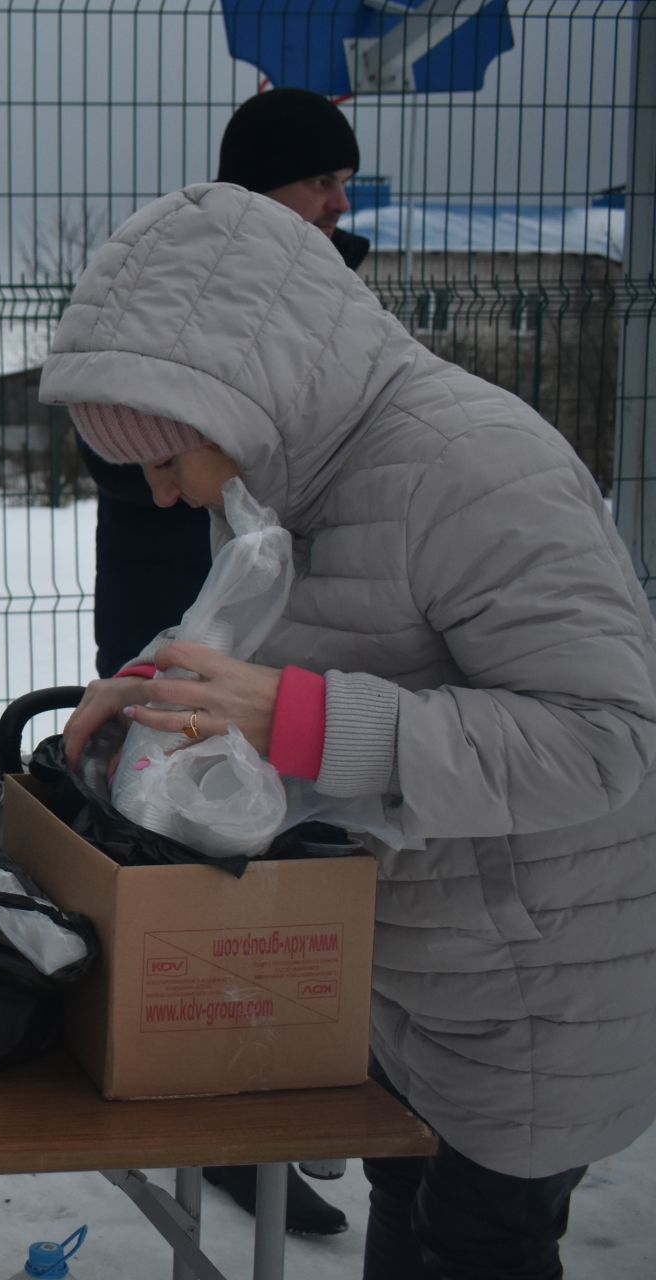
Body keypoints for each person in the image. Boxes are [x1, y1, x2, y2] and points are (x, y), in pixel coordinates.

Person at [46, 183, 656, 1280]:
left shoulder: (475, 465)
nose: (167, 494)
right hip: (424, 974)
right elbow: (317, 637)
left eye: (166, 456)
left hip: (535, 988)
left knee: (474, 1245)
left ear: (240, 389)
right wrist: (155, 679)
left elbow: (604, 738)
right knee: (409, 1210)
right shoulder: (296, 473)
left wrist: (301, 719)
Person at [76, 86, 371, 1234]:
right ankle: (211, 1102)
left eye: (343, 181)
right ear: (262, 189)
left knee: (289, 866)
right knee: (183, 877)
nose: (339, 202)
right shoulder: (178, 282)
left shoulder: (345, 288)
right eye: (317, 182)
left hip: (289, 647)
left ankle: (282, 1100)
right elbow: (120, 439)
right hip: (173, 616)